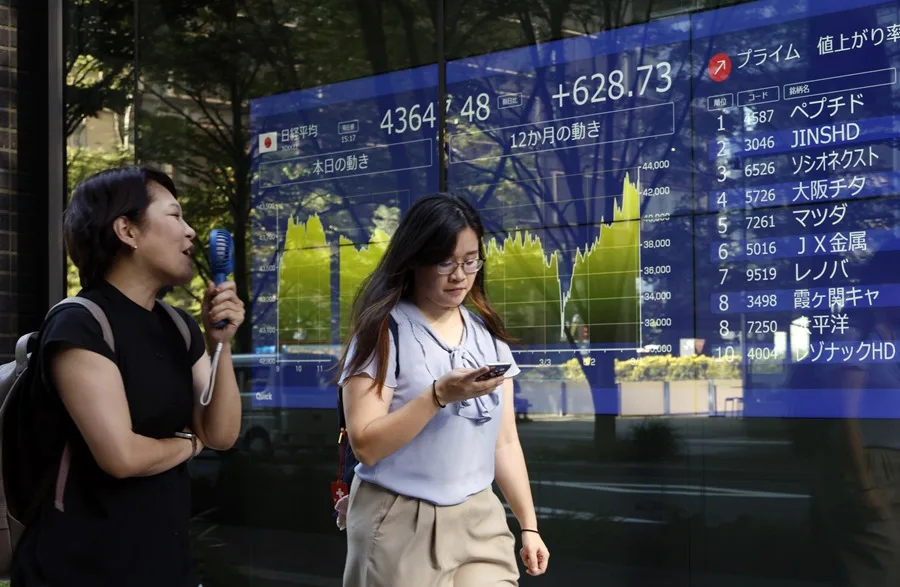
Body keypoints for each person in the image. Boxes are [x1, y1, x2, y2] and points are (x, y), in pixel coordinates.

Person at [9, 166, 245, 587]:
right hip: (78, 572)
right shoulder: (80, 324)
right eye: (175, 216)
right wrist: (191, 443)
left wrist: (220, 343)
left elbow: (222, 433)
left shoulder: (179, 326)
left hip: (166, 566)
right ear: (127, 230)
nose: (191, 232)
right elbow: (122, 457)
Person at [337, 193, 550, 586]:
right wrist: (437, 396)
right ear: (415, 260)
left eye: (471, 261)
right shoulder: (382, 331)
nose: (460, 275)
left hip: (481, 517)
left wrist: (529, 525)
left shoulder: (487, 335)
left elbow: (505, 442)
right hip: (399, 519)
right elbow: (365, 444)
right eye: (445, 262)